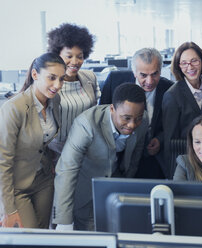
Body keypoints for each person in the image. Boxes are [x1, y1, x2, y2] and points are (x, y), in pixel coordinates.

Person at [52, 83, 148, 231]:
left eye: (138, 118)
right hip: (84, 193)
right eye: (126, 118)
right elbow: (67, 169)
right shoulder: (86, 124)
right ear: (112, 109)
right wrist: (63, 221)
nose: (132, 125)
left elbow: (135, 157)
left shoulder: (143, 120)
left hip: (116, 194)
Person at [0, 53, 66, 228]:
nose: (57, 85)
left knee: (43, 234)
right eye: (51, 78)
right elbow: (2, 161)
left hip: (43, 179)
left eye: (61, 79)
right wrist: (8, 209)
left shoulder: (55, 100)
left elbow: (43, 142)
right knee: (27, 236)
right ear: (35, 75)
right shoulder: (14, 108)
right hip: (17, 186)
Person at [100, 48, 173, 179]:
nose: (150, 81)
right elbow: (101, 117)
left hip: (151, 155)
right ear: (134, 72)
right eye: (143, 75)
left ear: (161, 71)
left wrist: (160, 139)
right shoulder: (114, 81)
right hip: (117, 153)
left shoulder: (169, 88)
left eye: (155, 74)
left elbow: (172, 123)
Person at [47, 23, 100, 157]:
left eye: (80, 56)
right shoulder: (48, 83)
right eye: (69, 56)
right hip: (55, 153)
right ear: (57, 55)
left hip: (86, 150)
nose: (75, 62)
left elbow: (94, 115)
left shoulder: (90, 78)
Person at [162, 42, 202, 177]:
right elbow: (171, 141)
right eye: (184, 63)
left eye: (194, 61)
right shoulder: (172, 96)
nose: (190, 67)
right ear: (178, 66)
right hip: (189, 162)